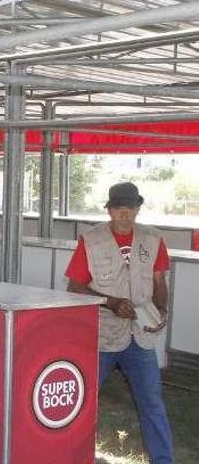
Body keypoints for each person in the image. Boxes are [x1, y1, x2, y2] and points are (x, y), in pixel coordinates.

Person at [65, 182, 173, 464]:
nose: (124, 215)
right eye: (118, 209)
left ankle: (163, 460)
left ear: (137, 209)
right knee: (84, 400)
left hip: (141, 336)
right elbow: (75, 287)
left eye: (130, 209)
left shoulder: (153, 238)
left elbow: (159, 281)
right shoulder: (91, 240)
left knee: (152, 403)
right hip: (103, 337)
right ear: (110, 210)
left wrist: (161, 309)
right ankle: (71, 454)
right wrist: (110, 302)